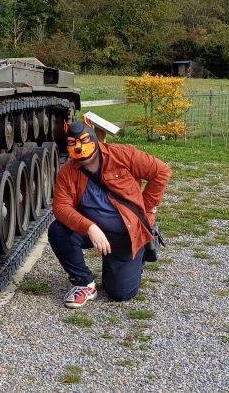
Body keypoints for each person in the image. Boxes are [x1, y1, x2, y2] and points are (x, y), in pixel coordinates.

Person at [48, 120, 171, 308]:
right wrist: (90, 227)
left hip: (126, 233)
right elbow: (61, 207)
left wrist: (145, 208)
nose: (79, 147)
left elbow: (161, 171)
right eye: (72, 143)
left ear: (94, 140)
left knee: (120, 293)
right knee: (58, 230)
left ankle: (136, 255)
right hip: (95, 231)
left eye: (83, 140)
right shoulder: (68, 172)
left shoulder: (123, 155)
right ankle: (84, 284)